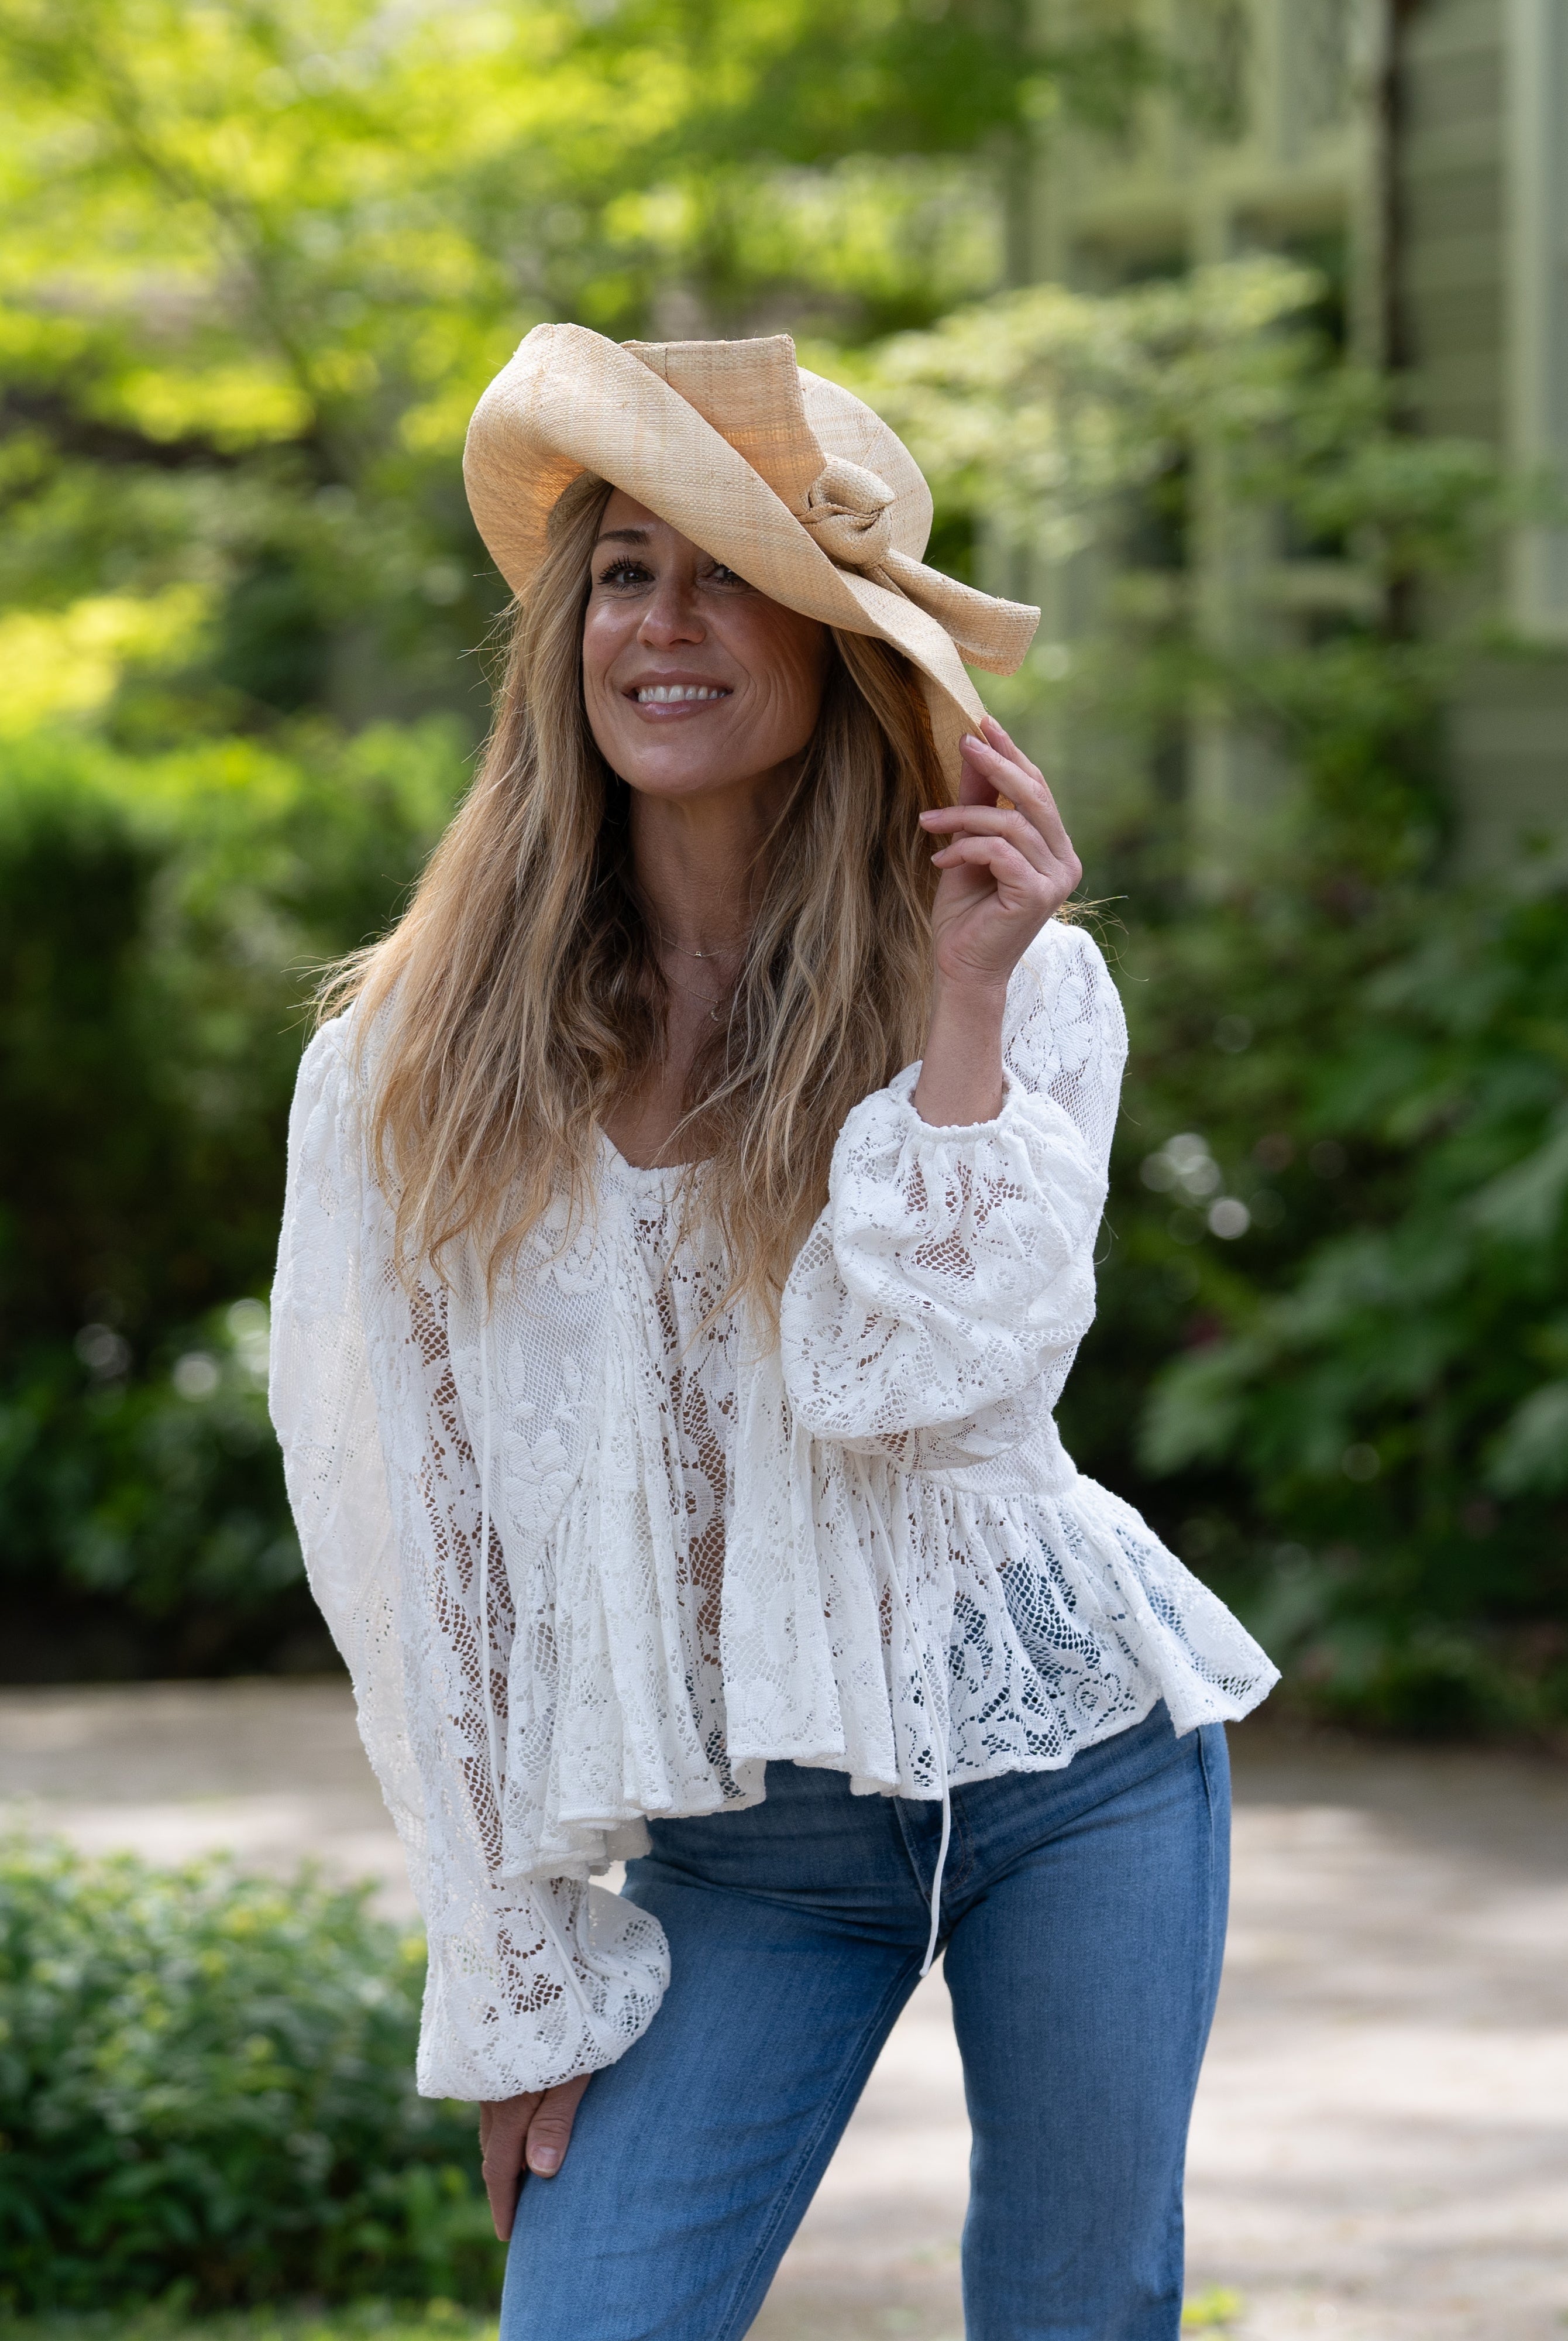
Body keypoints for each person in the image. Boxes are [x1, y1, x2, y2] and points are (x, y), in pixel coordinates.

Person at [269, 326, 1277, 2341]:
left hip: (1066, 1762)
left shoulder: (1016, 987)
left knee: (1084, 2308)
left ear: (838, 650)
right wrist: (517, 1980)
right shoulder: (412, 1055)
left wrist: (967, 1012)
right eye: (625, 571)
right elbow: (420, 1553)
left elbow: (917, 1389)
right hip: (751, 1847)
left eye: (730, 575)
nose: (666, 623)